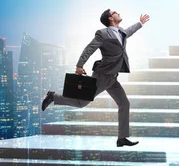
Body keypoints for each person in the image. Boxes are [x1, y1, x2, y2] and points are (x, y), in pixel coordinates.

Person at [42, 9, 150, 147]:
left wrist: (140, 23)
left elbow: (129, 31)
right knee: (81, 103)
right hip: (102, 76)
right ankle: (53, 97)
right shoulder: (103, 34)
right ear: (110, 18)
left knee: (124, 104)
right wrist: (80, 65)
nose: (118, 13)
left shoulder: (121, 32)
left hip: (112, 78)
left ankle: (122, 138)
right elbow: (89, 48)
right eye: (115, 12)